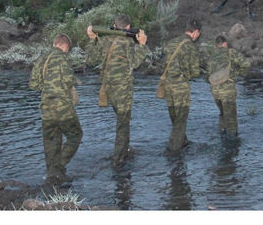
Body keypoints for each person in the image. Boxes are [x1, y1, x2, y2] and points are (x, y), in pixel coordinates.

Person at [85, 14, 150, 167]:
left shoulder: (105, 39)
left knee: (122, 121)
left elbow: (90, 59)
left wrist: (92, 39)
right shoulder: (127, 42)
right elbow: (134, 63)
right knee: (123, 124)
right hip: (123, 90)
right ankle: (119, 160)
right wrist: (142, 45)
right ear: (128, 27)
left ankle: (124, 150)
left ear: (114, 25)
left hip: (108, 88)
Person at [29, 34, 83, 186]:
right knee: (75, 135)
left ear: (54, 43)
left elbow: (33, 84)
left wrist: (48, 88)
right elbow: (68, 80)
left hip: (46, 107)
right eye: (68, 49)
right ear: (65, 46)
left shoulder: (42, 58)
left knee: (51, 141)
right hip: (63, 106)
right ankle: (57, 169)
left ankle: (52, 177)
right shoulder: (64, 58)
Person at [160, 18, 202, 151]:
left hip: (168, 86)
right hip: (181, 87)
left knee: (175, 118)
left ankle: (183, 142)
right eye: (199, 34)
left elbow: (164, 63)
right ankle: (174, 152)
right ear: (196, 32)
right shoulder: (191, 47)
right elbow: (195, 73)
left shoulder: (171, 43)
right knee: (181, 120)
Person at [206, 36, 251, 137]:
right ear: (225, 44)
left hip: (215, 91)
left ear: (215, 46)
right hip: (228, 90)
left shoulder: (211, 56)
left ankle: (222, 134)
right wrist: (241, 73)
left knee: (222, 113)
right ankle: (232, 142)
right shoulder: (231, 52)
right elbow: (246, 64)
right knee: (231, 118)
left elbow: (206, 76)